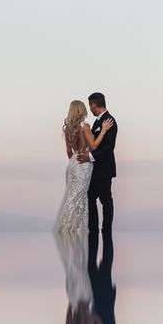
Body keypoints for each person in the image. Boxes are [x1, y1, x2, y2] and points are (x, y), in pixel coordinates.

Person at [53, 100, 113, 233]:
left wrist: (75, 161)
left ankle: (67, 228)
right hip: (84, 164)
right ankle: (76, 229)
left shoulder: (68, 127)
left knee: (72, 195)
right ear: (81, 110)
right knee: (80, 196)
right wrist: (103, 131)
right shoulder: (84, 126)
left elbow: (69, 152)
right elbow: (94, 145)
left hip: (73, 163)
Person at [77, 92, 118, 234]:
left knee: (106, 200)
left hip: (104, 169)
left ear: (94, 105)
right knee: (90, 199)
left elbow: (109, 146)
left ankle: (106, 229)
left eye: (90, 106)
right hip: (93, 170)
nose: (90, 109)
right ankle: (93, 228)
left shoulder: (110, 121)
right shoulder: (96, 122)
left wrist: (91, 157)